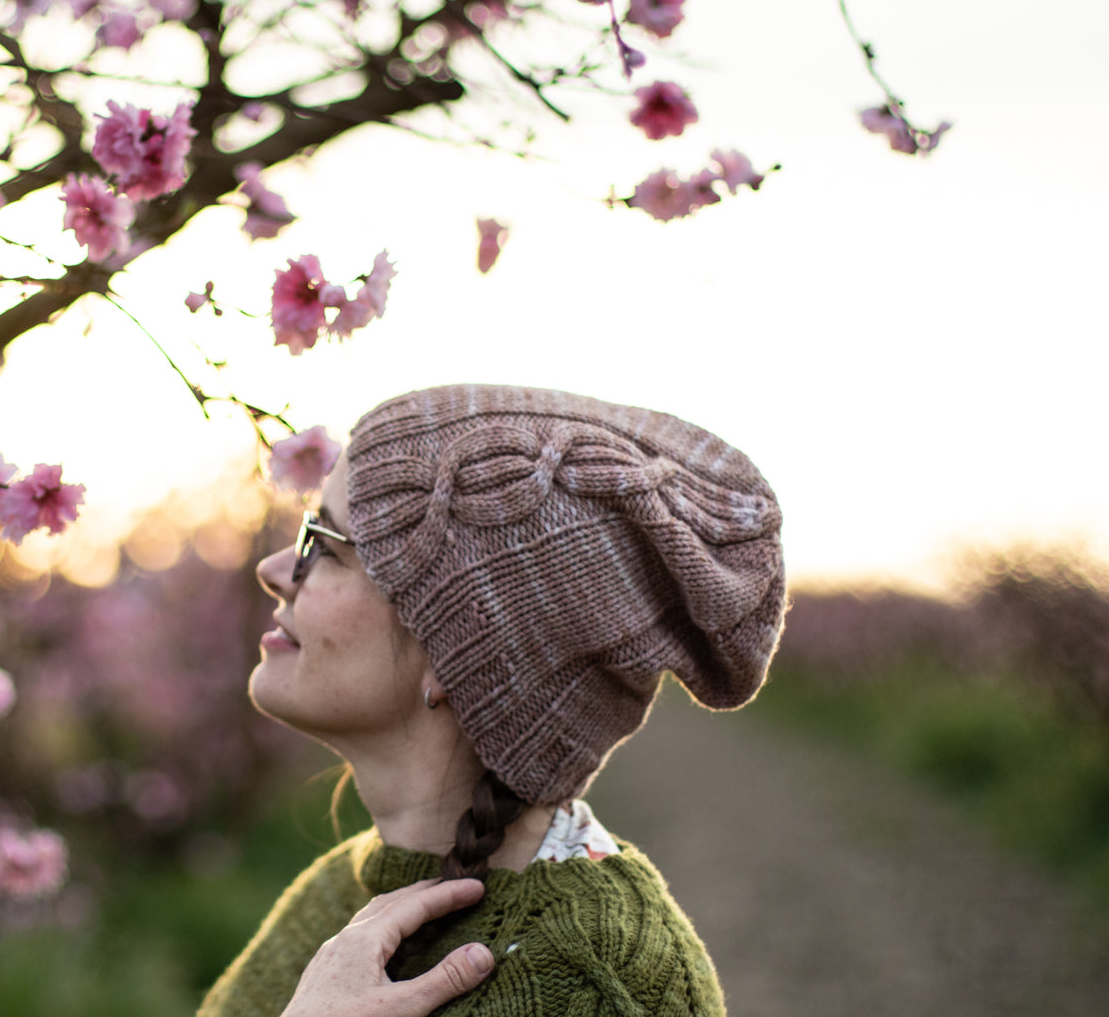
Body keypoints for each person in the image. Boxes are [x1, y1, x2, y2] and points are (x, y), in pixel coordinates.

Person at [198, 384, 786, 1017]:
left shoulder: (603, 981)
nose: (277, 566)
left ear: (456, 650)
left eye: (327, 546)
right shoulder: (332, 897)